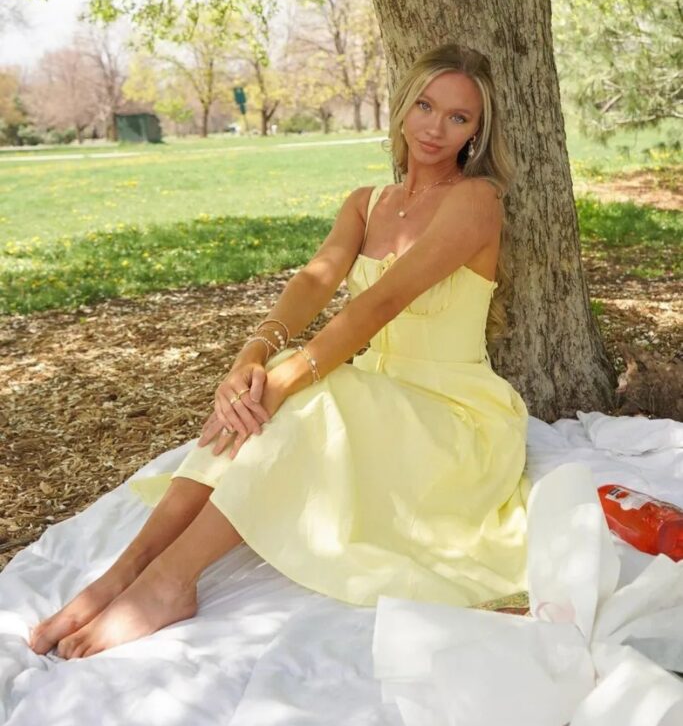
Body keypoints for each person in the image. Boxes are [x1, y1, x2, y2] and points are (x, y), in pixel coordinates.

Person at [29, 42, 530, 661]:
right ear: (403, 108)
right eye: (425, 106)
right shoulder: (366, 202)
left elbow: (381, 303)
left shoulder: (476, 201)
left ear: (476, 133)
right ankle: (124, 572)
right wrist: (250, 360)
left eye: (458, 117)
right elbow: (313, 282)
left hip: (452, 417)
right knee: (271, 389)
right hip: (380, 399)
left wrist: (285, 377)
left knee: (315, 391)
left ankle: (169, 583)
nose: (435, 127)